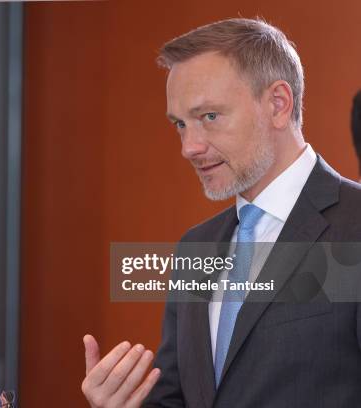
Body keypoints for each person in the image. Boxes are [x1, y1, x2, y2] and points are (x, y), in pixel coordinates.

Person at [82, 18, 361, 407]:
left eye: (209, 117)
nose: (189, 147)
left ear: (278, 104)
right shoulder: (195, 247)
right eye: (180, 124)